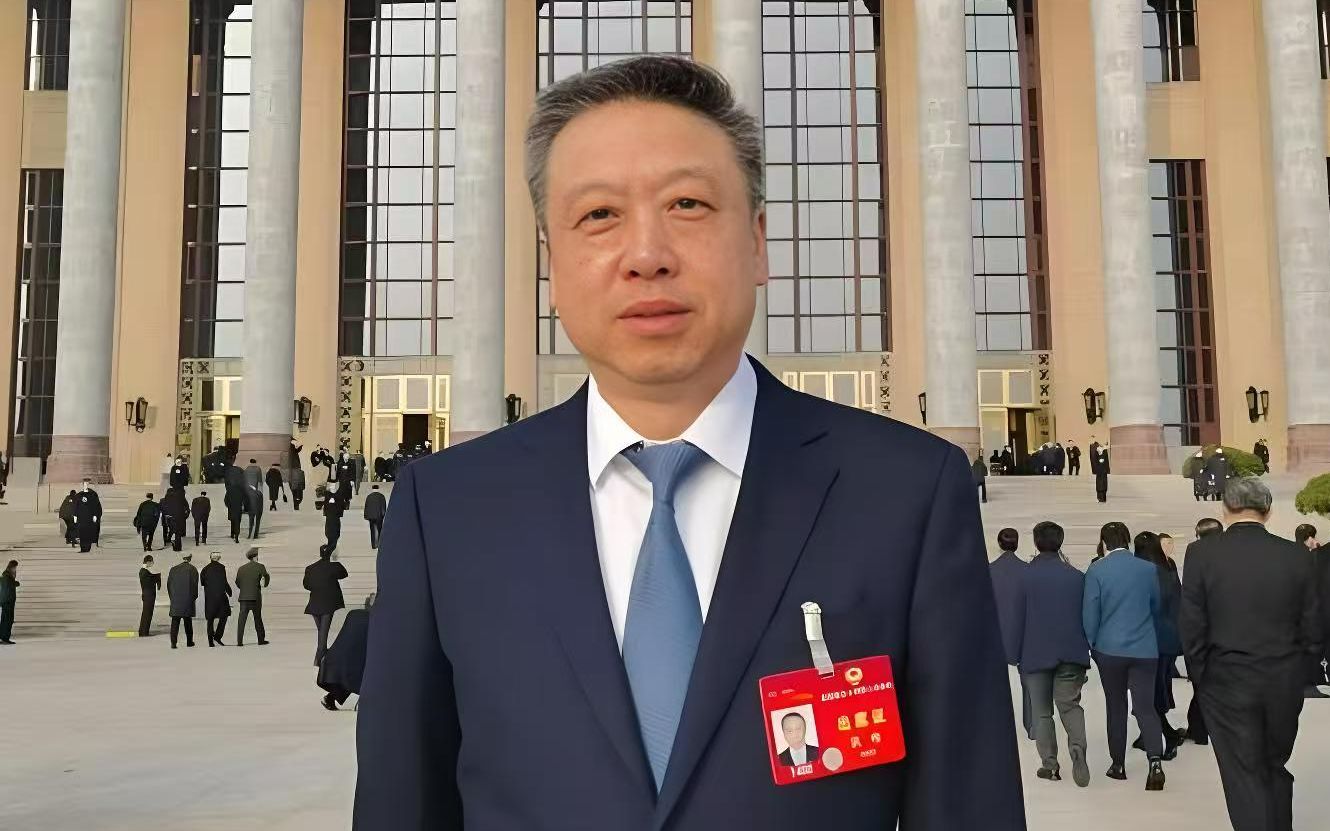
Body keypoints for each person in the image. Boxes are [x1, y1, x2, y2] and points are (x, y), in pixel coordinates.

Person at [354, 57, 1024, 829]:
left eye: (688, 203)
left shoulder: (904, 493)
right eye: (599, 215)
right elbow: (403, 802)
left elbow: (969, 805)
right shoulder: (451, 511)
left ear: (758, 243)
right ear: (552, 263)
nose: (648, 254)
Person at [1180, 478, 1322, 831]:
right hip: (1284, 678)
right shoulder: (1297, 555)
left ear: (1224, 509)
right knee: (1274, 764)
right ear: (1268, 511)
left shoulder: (1201, 554)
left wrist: (1201, 677)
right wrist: (1299, 670)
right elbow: (1314, 624)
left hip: (1226, 678)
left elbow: (1192, 623)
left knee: (1244, 772)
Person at [1083, 521, 1167, 789]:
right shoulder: (1148, 569)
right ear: (1128, 541)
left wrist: (1092, 644)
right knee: (1145, 707)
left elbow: (1090, 613)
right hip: (1144, 648)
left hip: (1109, 648)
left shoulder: (1096, 570)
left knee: (1115, 705)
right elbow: (1156, 605)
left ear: (1103, 542)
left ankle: (1117, 764)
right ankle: (1155, 761)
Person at [1012, 521, 1091, 787]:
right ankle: (1078, 748)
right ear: (1060, 541)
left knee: (1042, 713)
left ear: (1036, 543)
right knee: (1070, 705)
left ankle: (1050, 765)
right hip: (1071, 651)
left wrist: (1015, 653)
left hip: (1035, 653)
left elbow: (1017, 618)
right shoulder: (1077, 577)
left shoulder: (1024, 577)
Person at [1134, 531, 1183, 758]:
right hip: (1169, 638)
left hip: (1150, 639)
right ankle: (1152, 734)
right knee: (1159, 687)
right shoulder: (1167, 569)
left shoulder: (1144, 574)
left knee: (1149, 692)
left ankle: (1164, 737)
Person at [1178, 516, 1223, 747]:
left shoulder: (1195, 551)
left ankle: (1200, 730)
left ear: (1198, 534)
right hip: (1227, 628)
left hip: (1201, 630)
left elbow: (1191, 596)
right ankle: (1204, 729)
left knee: (1201, 684)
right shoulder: (1232, 551)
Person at [989, 528, 1029, 739]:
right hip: (1024, 633)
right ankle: (1031, 725)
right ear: (1017, 543)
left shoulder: (989, 570)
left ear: (999, 544)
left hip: (995, 635)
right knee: (1029, 683)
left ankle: (996, 725)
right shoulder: (1028, 571)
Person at [318, 594, 374, 711]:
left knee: (351, 674)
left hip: (339, 658)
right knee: (362, 671)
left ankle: (330, 698)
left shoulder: (354, 615)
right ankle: (362, 702)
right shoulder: (373, 621)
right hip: (356, 660)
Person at [304, 548, 348, 667]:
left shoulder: (310, 568)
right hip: (328, 604)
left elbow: (306, 585)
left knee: (322, 631)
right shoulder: (334, 567)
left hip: (314, 603)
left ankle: (320, 657)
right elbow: (344, 574)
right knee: (323, 633)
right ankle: (320, 660)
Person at [235, 547, 271, 646]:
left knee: (241, 620)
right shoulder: (260, 566)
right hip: (255, 597)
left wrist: (244, 589)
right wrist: (266, 581)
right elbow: (266, 579)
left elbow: (237, 582)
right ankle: (261, 640)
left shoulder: (241, 568)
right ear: (255, 557)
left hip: (243, 598)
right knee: (257, 618)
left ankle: (239, 641)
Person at [166, 553, 199, 649]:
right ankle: (189, 641)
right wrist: (193, 598)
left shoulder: (173, 569)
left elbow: (169, 585)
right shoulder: (192, 569)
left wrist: (172, 597)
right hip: (188, 599)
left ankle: (173, 643)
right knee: (188, 621)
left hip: (175, 599)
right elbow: (194, 585)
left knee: (175, 621)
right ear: (190, 558)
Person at [200, 552, 233, 648]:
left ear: (210, 558)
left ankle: (210, 642)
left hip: (210, 598)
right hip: (221, 597)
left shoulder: (205, 569)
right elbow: (224, 581)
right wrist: (229, 592)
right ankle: (218, 636)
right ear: (219, 558)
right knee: (224, 616)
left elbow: (202, 582)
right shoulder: (221, 568)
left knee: (210, 620)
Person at [138, 555, 160, 637]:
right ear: (148, 562)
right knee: (147, 614)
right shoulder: (144, 572)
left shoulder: (145, 571)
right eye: (152, 561)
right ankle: (144, 632)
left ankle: (143, 631)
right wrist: (157, 577)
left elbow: (151, 577)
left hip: (147, 596)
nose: (153, 563)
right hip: (148, 596)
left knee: (146, 614)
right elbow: (150, 581)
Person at [161, 487, 189, 553]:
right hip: (179, 517)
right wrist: (184, 517)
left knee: (169, 529)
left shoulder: (165, 498)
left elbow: (163, 507)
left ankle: (168, 540)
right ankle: (177, 547)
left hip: (169, 517)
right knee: (177, 532)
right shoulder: (181, 498)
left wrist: (166, 514)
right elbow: (187, 508)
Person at [363, 484, 387, 549]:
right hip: (379, 516)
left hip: (371, 516)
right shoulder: (381, 496)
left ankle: (373, 545)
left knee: (372, 530)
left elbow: (366, 506)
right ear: (378, 488)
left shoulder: (369, 496)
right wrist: (383, 514)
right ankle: (379, 544)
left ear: (372, 488)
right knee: (380, 530)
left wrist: (366, 515)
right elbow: (384, 506)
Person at [0, 560, 18, 644]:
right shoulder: (6, 575)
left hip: (8, 601)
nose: (15, 569)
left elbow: (10, 584)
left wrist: (14, 582)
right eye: (15, 567)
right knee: (7, 620)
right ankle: (5, 638)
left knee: (6, 619)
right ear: (11, 567)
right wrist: (15, 583)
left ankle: (3, 637)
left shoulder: (7, 575)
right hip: (7, 601)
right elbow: (7, 587)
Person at [323, 486, 345, 554]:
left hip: (330, 519)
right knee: (334, 536)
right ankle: (327, 551)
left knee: (331, 536)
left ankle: (327, 551)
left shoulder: (328, 497)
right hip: (334, 519)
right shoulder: (338, 497)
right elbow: (341, 508)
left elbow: (325, 509)